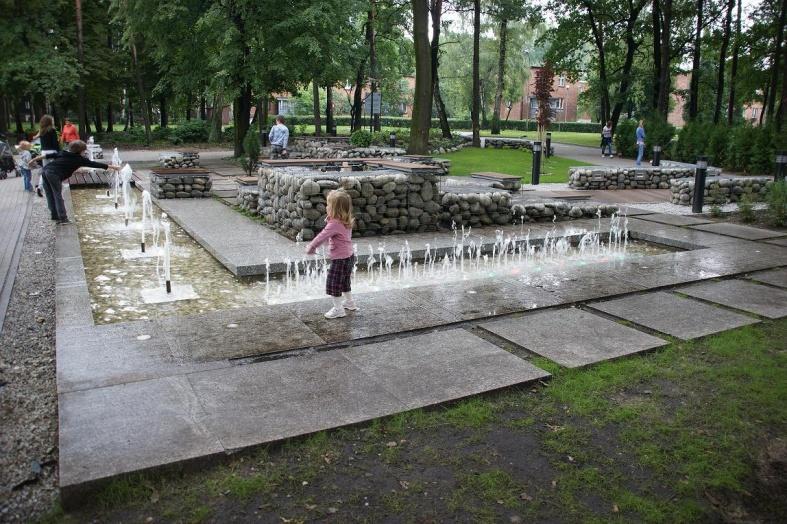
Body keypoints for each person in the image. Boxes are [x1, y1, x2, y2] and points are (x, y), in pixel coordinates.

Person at [31, 140, 120, 224]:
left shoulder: (63, 153)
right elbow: (96, 164)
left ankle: (54, 215)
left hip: (45, 171)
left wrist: (33, 160)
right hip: (53, 174)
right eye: (84, 151)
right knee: (57, 195)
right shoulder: (79, 159)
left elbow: (48, 156)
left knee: (50, 194)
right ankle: (63, 218)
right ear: (80, 151)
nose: (85, 152)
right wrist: (114, 167)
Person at [305, 190, 357, 319]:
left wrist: (311, 247)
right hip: (349, 257)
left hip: (340, 259)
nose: (326, 207)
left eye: (328, 205)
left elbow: (322, 236)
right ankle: (350, 303)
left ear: (335, 209)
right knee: (344, 281)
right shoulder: (346, 220)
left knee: (333, 283)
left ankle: (338, 309)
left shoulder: (334, 224)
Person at [32, 115, 60, 197]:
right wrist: (59, 153)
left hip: (43, 152)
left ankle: (40, 187)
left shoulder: (41, 131)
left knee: (45, 170)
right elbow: (55, 144)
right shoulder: (52, 130)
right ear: (49, 122)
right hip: (52, 152)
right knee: (54, 170)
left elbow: (35, 138)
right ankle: (54, 187)